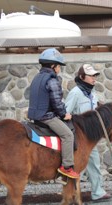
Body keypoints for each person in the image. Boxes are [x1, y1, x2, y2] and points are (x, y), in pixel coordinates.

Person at [28, 48, 80, 179]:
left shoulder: (37, 77)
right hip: (47, 117)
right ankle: (67, 167)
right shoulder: (52, 79)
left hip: (35, 116)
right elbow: (57, 101)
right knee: (68, 135)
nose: (59, 69)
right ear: (53, 66)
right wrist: (64, 115)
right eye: (59, 66)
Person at [65, 64, 112, 201]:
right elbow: (66, 112)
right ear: (82, 77)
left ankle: (98, 192)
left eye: (95, 75)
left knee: (94, 162)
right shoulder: (75, 93)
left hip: (90, 138)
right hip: (78, 138)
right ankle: (73, 196)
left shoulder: (92, 94)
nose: (94, 78)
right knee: (76, 167)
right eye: (91, 76)